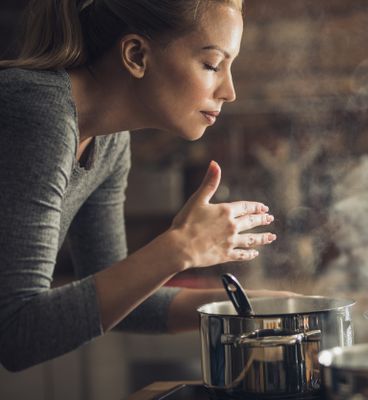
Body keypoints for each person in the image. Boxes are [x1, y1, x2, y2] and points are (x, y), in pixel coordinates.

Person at [0, 0, 283, 372]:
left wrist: (264, 307)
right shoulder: (39, 113)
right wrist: (180, 247)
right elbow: (19, 334)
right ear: (136, 55)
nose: (229, 91)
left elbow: (119, 298)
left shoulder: (110, 143)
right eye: (212, 64)